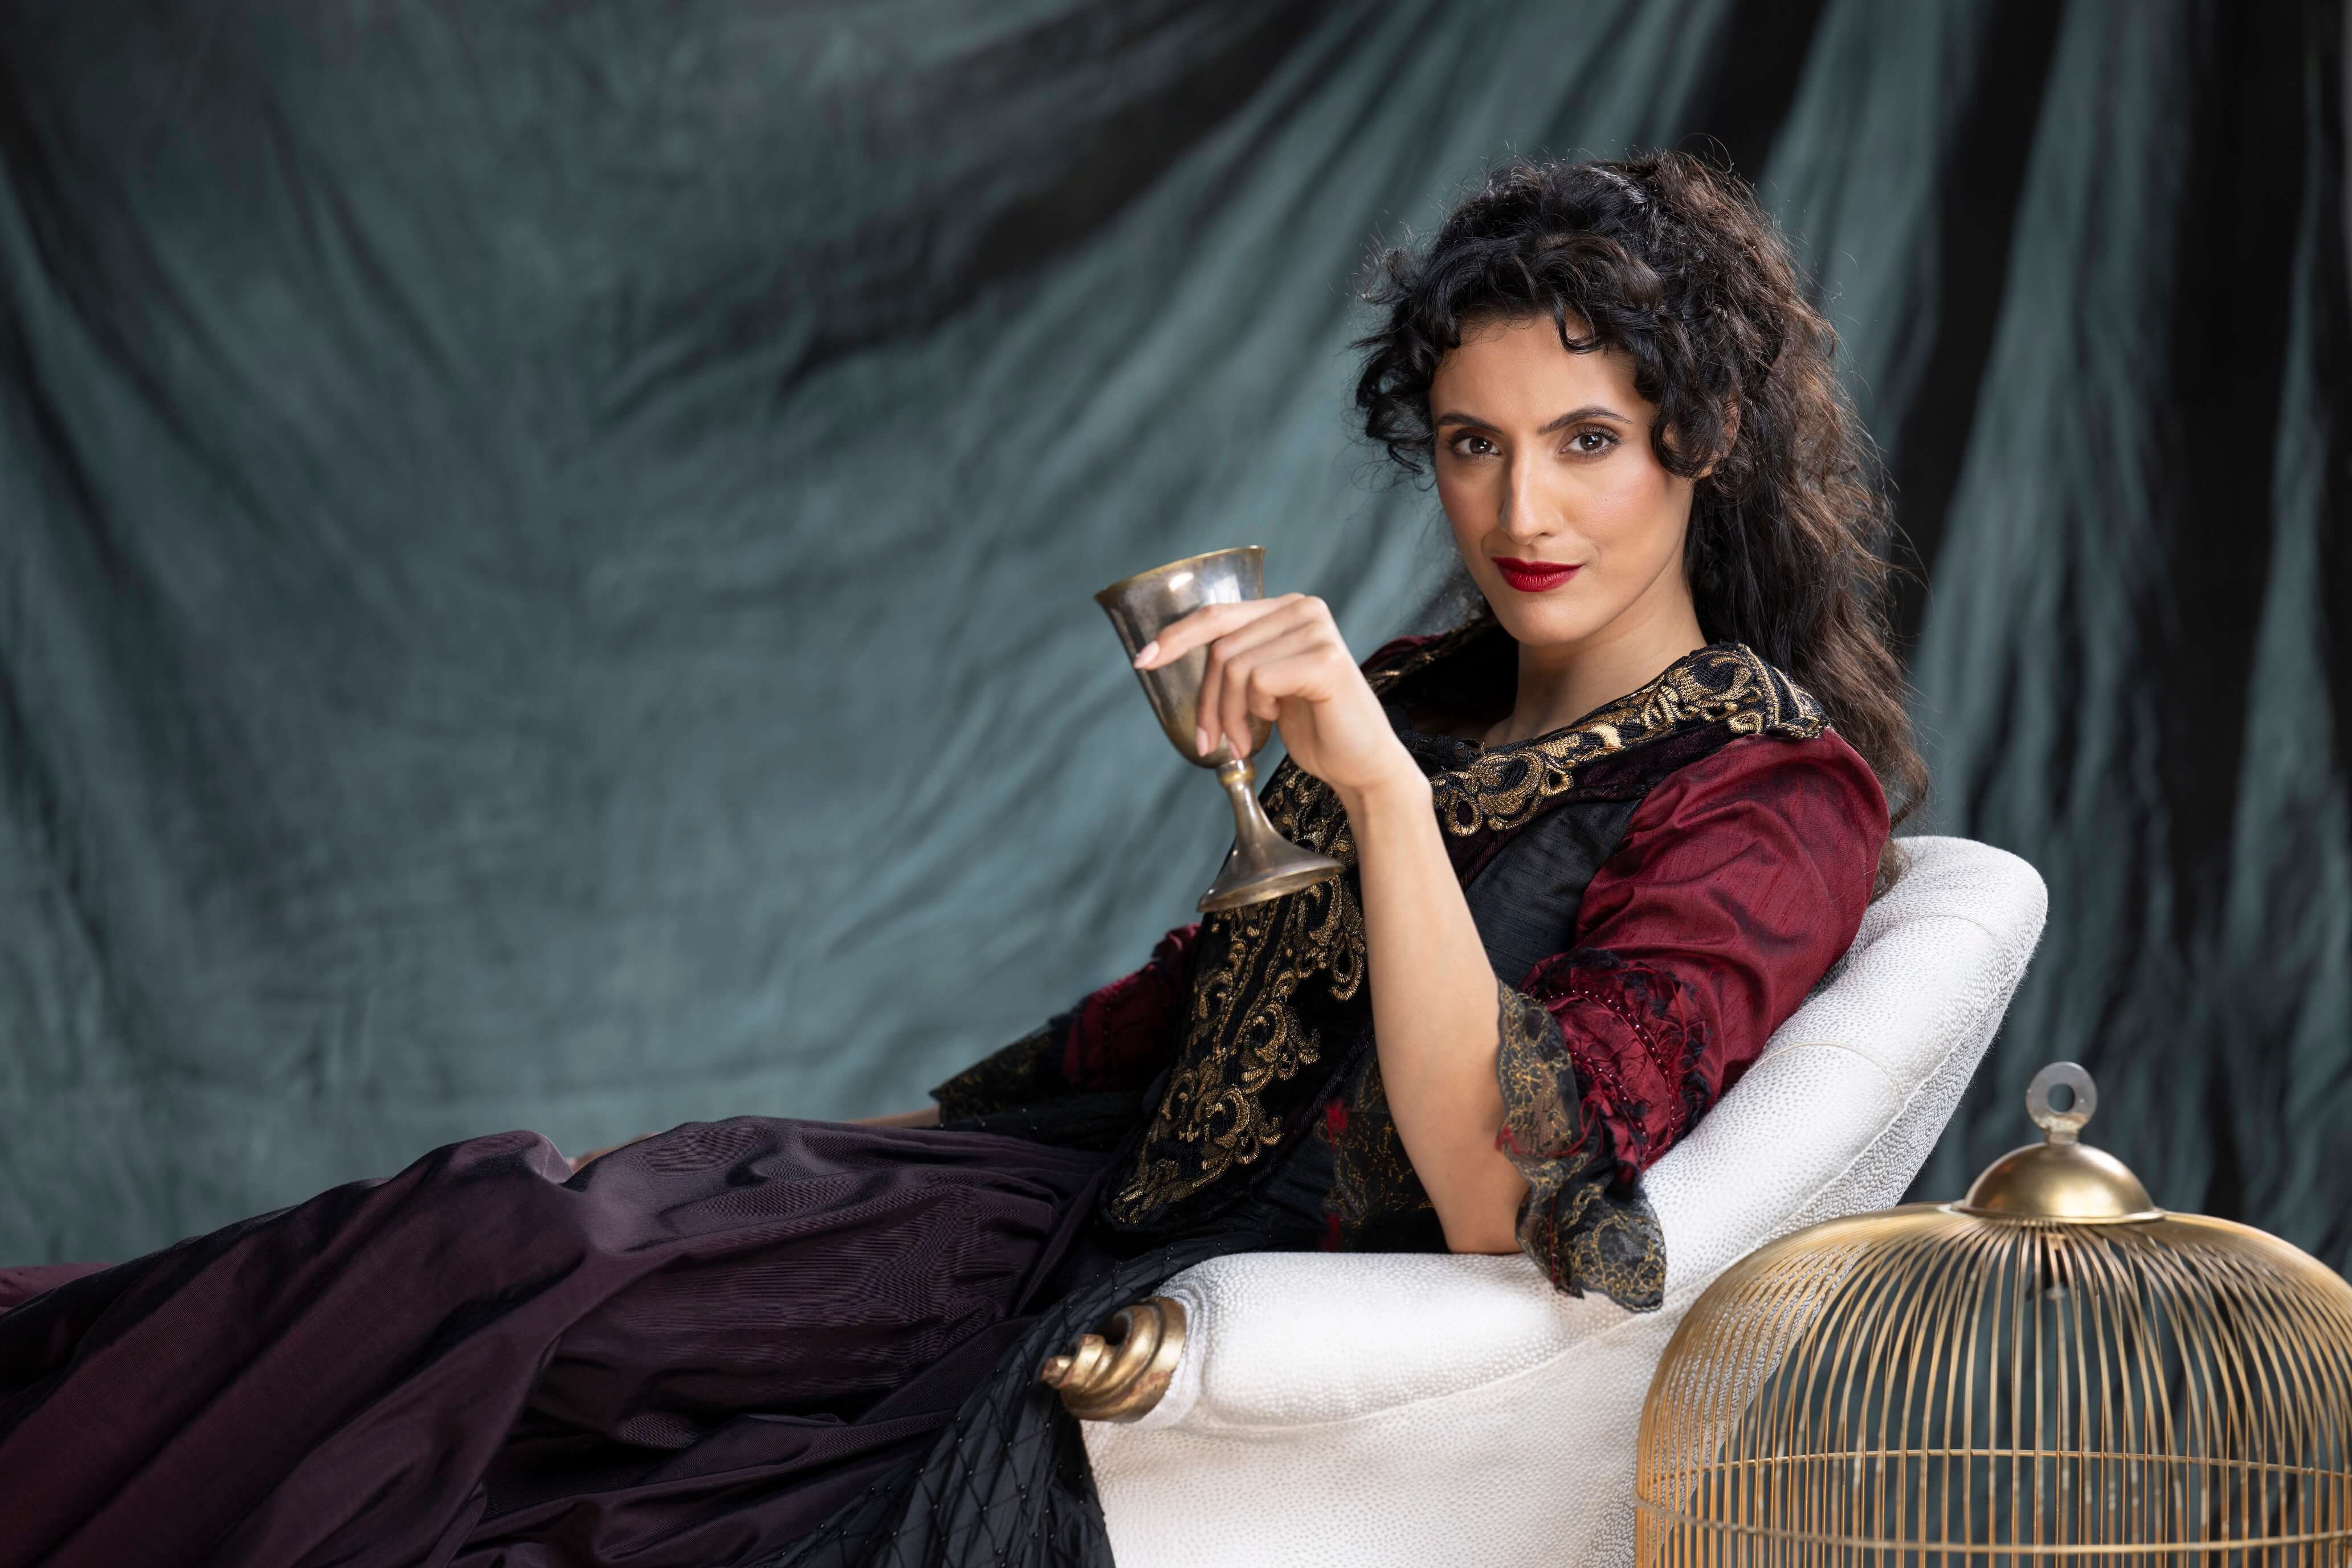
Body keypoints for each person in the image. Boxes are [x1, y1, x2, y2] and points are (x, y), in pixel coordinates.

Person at [0, 150, 1922, 1567]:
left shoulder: (1769, 797)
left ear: (1702, 438)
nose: (1521, 506)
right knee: (503, 1237)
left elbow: (1513, 1189)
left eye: (1586, 439)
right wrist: (806, 1160)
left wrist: (1387, 806)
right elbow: (1191, 1020)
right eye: (1470, 442)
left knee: (563, 1499)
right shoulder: (1427, 688)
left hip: (1212, 1312)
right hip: (1046, 1202)